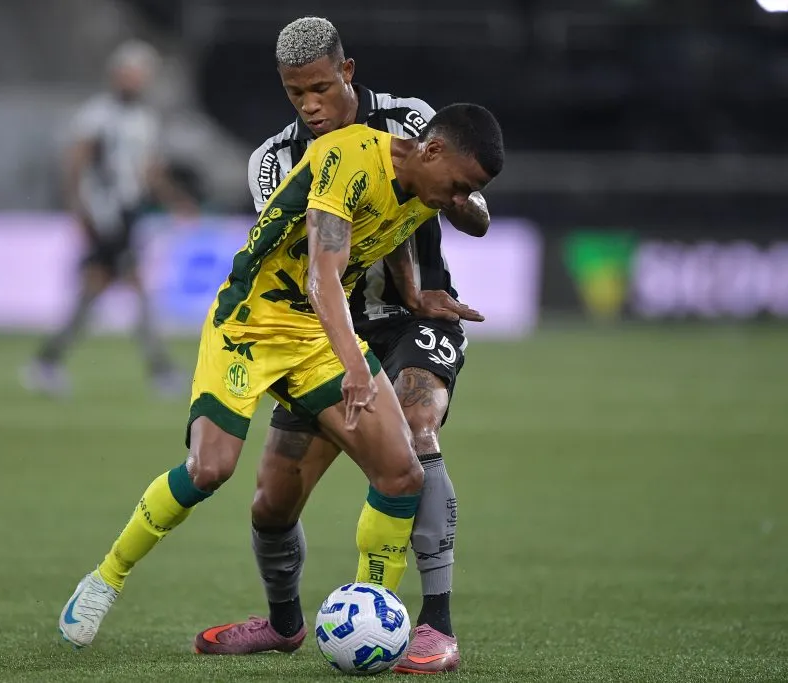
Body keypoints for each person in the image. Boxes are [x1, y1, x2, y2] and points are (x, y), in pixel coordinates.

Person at [56, 102, 504, 656]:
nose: (458, 199)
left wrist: (413, 294)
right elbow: (322, 278)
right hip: (250, 322)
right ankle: (106, 578)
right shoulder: (351, 158)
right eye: (459, 185)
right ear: (432, 151)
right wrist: (359, 369)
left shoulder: (424, 182)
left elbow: (395, 232)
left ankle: (373, 620)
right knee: (209, 468)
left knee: (401, 473)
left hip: (313, 336)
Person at [192, 17, 493, 674]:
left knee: (416, 425)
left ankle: (436, 624)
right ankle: (283, 623)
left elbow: (471, 208)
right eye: (295, 93)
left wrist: (457, 194)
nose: (310, 104)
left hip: (419, 317)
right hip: (326, 337)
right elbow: (314, 263)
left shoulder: (412, 119)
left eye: (321, 87)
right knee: (272, 502)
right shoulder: (274, 161)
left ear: (347, 73)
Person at [23, 40, 195, 397]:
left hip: (128, 215)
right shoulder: (96, 115)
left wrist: (176, 200)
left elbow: (149, 172)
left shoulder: (144, 120)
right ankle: (160, 371)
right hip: (105, 216)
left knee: (93, 293)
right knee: (136, 291)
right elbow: (76, 165)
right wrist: (80, 212)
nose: (137, 80)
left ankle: (46, 362)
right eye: (132, 73)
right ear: (118, 75)